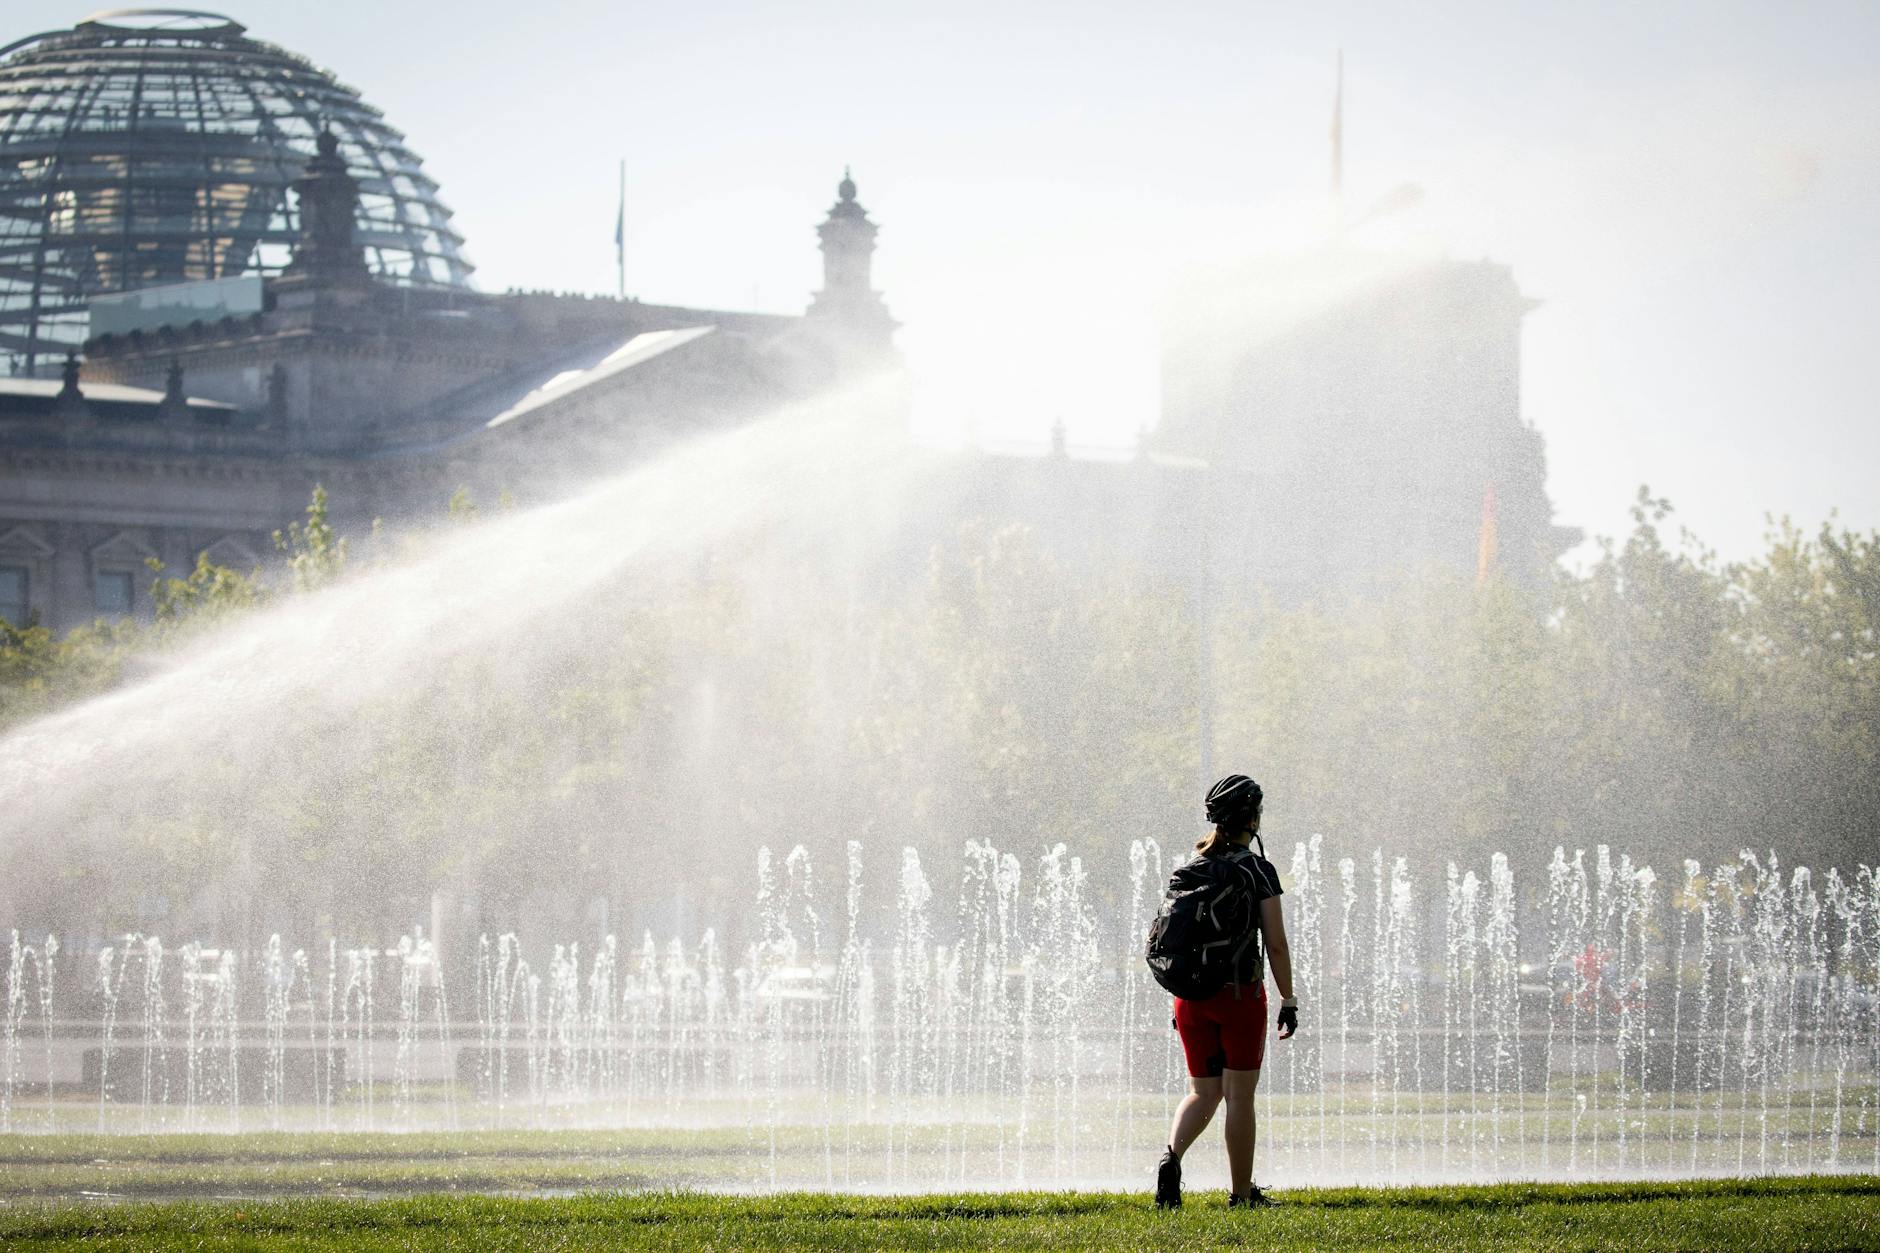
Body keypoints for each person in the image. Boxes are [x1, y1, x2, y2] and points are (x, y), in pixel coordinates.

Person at [1154, 773, 1298, 1210]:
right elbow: (1275, 943)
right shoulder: (1257, 870)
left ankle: (1171, 1159)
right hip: (1239, 997)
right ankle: (1241, 1194)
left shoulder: (1190, 867)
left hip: (1190, 998)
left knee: (1203, 1091)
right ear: (1251, 819)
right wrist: (1288, 999)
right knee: (1239, 1097)